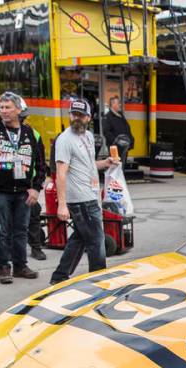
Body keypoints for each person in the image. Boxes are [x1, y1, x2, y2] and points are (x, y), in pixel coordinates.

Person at [0, 91, 45, 284]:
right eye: (1, 108)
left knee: (21, 229)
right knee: (2, 230)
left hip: (24, 191)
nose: (3, 111)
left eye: (8, 107)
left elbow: (40, 165)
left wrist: (36, 188)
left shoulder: (31, 133)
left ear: (19, 110)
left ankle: (20, 265)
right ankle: (3, 266)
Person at [49, 99, 119, 285]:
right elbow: (61, 173)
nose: (76, 118)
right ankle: (99, 281)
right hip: (81, 199)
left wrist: (105, 164)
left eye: (81, 115)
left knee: (79, 238)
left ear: (89, 117)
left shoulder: (87, 136)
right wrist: (62, 205)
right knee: (96, 241)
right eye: (74, 114)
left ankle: (59, 277)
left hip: (91, 195)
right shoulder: (64, 140)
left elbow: (87, 166)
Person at [102, 95, 134, 161]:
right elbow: (106, 132)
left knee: (122, 166)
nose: (120, 104)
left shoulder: (121, 115)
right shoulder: (107, 117)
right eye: (118, 103)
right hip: (115, 148)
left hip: (124, 147)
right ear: (113, 104)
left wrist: (131, 141)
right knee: (115, 166)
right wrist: (117, 142)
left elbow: (127, 129)